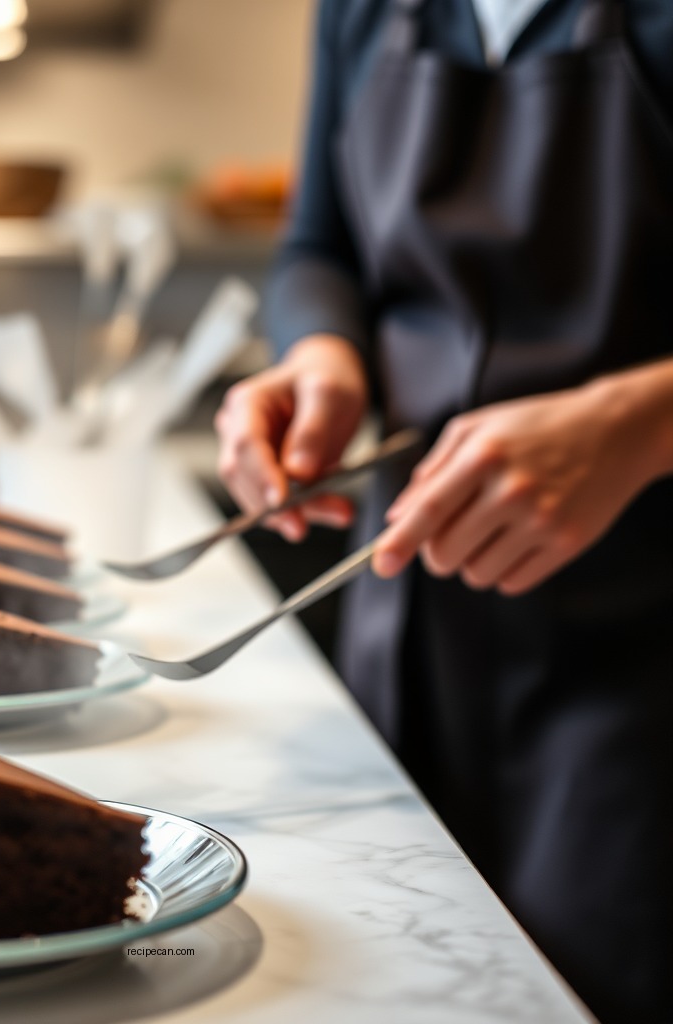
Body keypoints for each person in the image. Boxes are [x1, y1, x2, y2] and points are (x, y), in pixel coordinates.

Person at [214, 1, 673, 1021]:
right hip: (409, 627)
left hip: (644, 665)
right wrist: (322, 354)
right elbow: (317, 246)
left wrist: (639, 424)